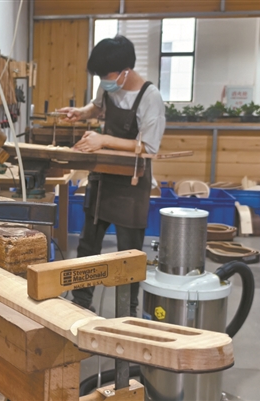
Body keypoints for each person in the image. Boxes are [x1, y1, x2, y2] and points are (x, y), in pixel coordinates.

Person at [57, 35, 165, 316]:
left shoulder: (150, 97)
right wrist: (81, 113)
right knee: (87, 244)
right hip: (103, 177)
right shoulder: (109, 84)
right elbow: (98, 106)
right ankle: (81, 302)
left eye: (106, 76)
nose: (103, 81)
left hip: (132, 184)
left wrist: (104, 140)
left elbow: (149, 147)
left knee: (129, 253)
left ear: (125, 71)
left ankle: (127, 313)